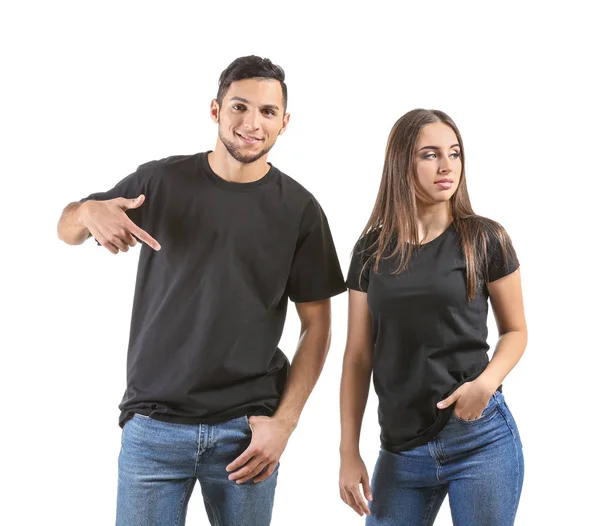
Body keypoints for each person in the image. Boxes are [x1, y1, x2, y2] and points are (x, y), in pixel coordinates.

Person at [57, 55, 346, 526]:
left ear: (285, 123)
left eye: (268, 112)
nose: (252, 123)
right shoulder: (160, 181)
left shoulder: (300, 210)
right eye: (239, 107)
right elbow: (67, 228)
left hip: (247, 434)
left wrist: (285, 424)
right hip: (153, 427)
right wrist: (88, 210)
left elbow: (318, 327)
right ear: (215, 110)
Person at [339, 109, 527, 525]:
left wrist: (485, 384)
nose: (447, 166)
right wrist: (348, 452)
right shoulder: (371, 251)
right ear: (402, 163)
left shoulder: (484, 238)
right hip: (401, 449)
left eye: (455, 153)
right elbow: (356, 356)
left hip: (479, 438)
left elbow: (515, 331)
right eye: (430, 155)